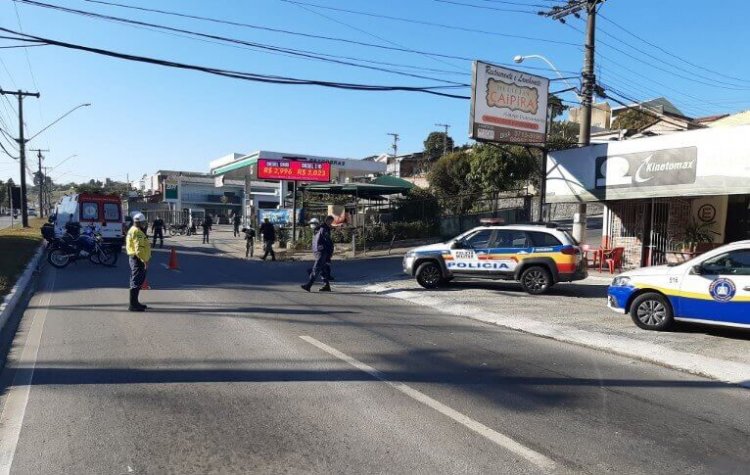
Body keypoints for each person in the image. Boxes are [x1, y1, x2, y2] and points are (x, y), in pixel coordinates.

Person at [301, 215, 334, 292]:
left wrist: (329, 253)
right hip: (319, 251)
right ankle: (326, 286)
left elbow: (328, 242)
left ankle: (309, 285)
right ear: (327, 220)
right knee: (322, 269)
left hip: (321, 252)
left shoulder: (322, 229)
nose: (331, 223)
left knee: (316, 269)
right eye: (331, 221)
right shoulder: (319, 229)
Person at [126, 212, 151, 312]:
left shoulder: (132, 230)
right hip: (137, 258)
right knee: (136, 281)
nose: (144, 224)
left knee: (135, 280)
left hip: (133, 257)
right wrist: (144, 260)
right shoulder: (138, 233)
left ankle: (135, 302)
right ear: (140, 222)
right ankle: (133, 305)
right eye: (143, 222)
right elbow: (139, 249)